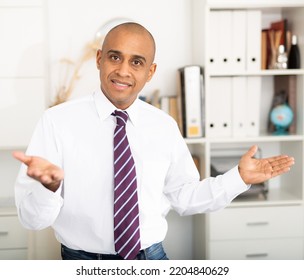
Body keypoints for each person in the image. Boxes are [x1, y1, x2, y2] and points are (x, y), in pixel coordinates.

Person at [13, 22, 295, 260]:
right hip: (81, 262)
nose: (123, 71)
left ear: (150, 71)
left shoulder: (164, 126)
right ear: (99, 59)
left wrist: (238, 177)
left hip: (151, 259)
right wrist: (49, 188)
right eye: (114, 57)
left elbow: (184, 197)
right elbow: (31, 220)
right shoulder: (56, 121)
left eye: (136, 62)